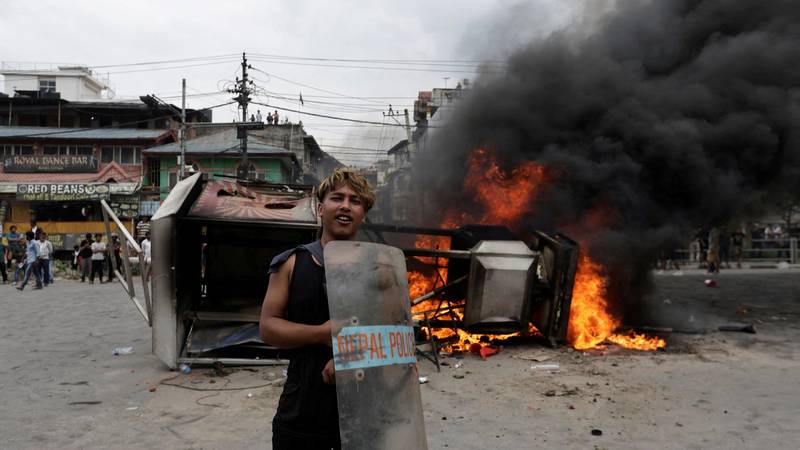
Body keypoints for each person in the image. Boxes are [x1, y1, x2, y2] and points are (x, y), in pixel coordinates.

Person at [260, 168, 375, 450]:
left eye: (355, 201)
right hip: (302, 413)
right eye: (337, 198)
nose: (346, 205)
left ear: (363, 214)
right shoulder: (292, 263)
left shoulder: (378, 270)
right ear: (321, 209)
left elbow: (394, 333)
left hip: (366, 413)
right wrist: (322, 333)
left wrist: (348, 356)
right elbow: (269, 327)